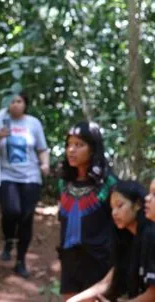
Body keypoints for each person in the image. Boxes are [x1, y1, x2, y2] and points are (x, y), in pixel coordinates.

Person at [0, 92, 49, 278]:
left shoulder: (33, 123)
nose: (15, 105)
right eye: (12, 101)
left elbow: (42, 149)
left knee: (26, 218)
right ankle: (8, 240)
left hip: (31, 177)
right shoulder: (0, 122)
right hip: (7, 176)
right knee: (11, 211)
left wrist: (44, 164)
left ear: (25, 104)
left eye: (19, 101)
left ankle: (21, 260)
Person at [57, 121, 119, 301]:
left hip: (99, 259)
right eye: (69, 144)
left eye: (79, 145)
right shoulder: (64, 182)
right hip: (69, 257)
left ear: (93, 149)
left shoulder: (108, 183)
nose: (71, 150)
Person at [66, 180, 155, 301]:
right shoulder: (128, 240)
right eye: (112, 208)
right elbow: (107, 282)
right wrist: (74, 300)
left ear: (137, 204)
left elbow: (152, 294)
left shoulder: (150, 235)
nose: (114, 213)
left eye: (120, 205)